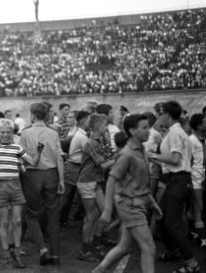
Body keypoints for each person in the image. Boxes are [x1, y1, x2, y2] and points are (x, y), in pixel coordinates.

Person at [92, 114, 162, 273]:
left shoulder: (141, 149)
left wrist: (152, 203)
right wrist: (108, 210)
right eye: (144, 128)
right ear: (132, 131)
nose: (148, 131)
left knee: (124, 247)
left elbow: (140, 182)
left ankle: (98, 270)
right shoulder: (127, 154)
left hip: (137, 204)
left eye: (148, 127)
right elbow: (111, 180)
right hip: (130, 206)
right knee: (149, 247)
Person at [0, 116, 43, 268]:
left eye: (8, 132)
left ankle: (16, 252)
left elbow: (33, 162)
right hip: (0, 188)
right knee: (4, 222)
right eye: (2, 132)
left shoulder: (17, 148)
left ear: (12, 133)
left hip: (15, 188)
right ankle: (6, 255)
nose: (5, 135)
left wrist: (39, 151)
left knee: (17, 222)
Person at [148, 101, 200, 273]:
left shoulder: (176, 132)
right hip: (175, 179)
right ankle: (173, 251)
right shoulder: (174, 132)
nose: (159, 116)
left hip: (178, 179)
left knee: (171, 223)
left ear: (168, 115)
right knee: (161, 217)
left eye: (161, 113)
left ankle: (192, 263)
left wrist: (153, 156)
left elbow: (175, 159)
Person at [20, 103, 64, 266]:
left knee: (31, 214)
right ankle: (55, 255)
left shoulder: (25, 133)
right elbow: (59, 157)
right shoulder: (53, 133)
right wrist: (60, 180)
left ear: (32, 115)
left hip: (33, 174)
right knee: (53, 215)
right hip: (51, 173)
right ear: (46, 116)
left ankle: (43, 249)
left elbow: (22, 157)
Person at [77, 114, 115, 262]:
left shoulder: (99, 141)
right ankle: (85, 251)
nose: (107, 128)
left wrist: (111, 149)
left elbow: (108, 156)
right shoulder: (91, 143)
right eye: (105, 126)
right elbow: (104, 164)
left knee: (104, 213)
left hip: (95, 181)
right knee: (91, 217)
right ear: (98, 127)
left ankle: (95, 244)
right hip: (87, 182)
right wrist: (120, 156)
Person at [61, 111, 90, 226]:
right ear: (83, 121)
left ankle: (62, 220)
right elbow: (90, 154)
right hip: (74, 167)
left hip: (73, 167)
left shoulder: (80, 134)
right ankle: (59, 220)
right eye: (89, 120)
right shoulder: (82, 136)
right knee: (66, 197)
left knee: (69, 197)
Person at [188, 114, 206, 248]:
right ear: (199, 125)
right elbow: (187, 161)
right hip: (195, 179)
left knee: (194, 206)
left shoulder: (203, 139)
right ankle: (202, 238)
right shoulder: (191, 140)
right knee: (198, 206)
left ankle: (191, 231)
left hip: (202, 177)